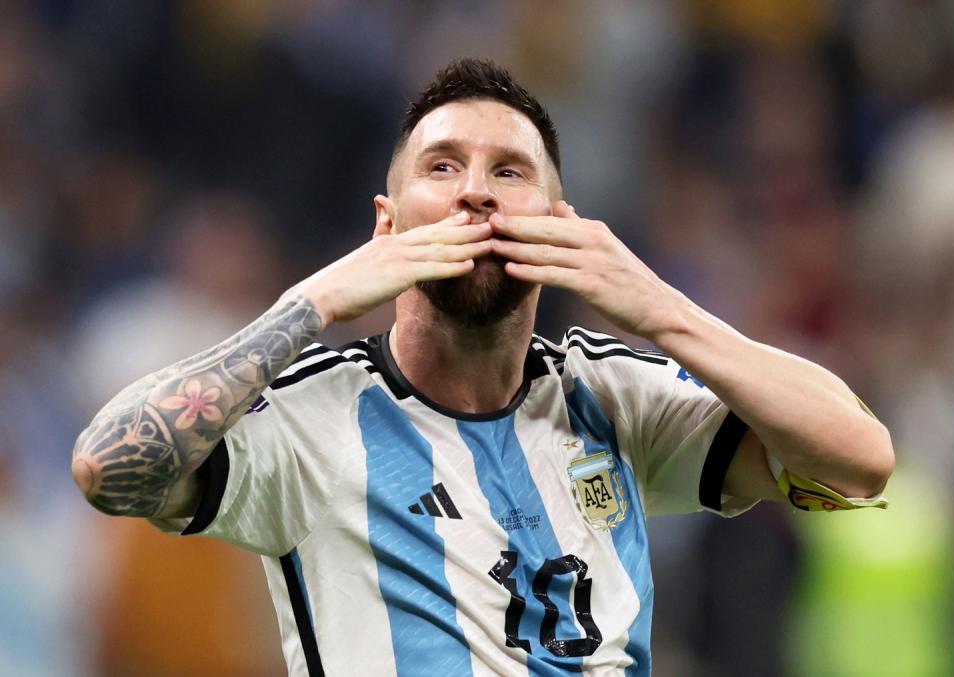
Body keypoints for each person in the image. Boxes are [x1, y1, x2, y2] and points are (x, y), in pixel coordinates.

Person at [71, 58, 893, 676]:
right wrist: (314, 302)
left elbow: (858, 458)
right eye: (442, 167)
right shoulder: (308, 417)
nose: (476, 193)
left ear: (560, 224)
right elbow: (107, 466)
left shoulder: (609, 393)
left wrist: (660, 308)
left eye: (509, 171)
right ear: (386, 225)